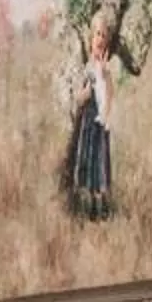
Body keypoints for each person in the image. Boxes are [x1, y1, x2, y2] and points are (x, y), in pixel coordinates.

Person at [63, 12, 117, 222]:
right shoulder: (87, 68)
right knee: (91, 161)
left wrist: (105, 113)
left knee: (101, 162)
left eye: (104, 36)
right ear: (90, 39)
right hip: (89, 122)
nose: (100, 39)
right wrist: (83, 95)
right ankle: (93, 206)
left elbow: (110, 93)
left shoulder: (105, 69)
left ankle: (102, 204)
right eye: (97, 34)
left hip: (100, 122)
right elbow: (80, 95)